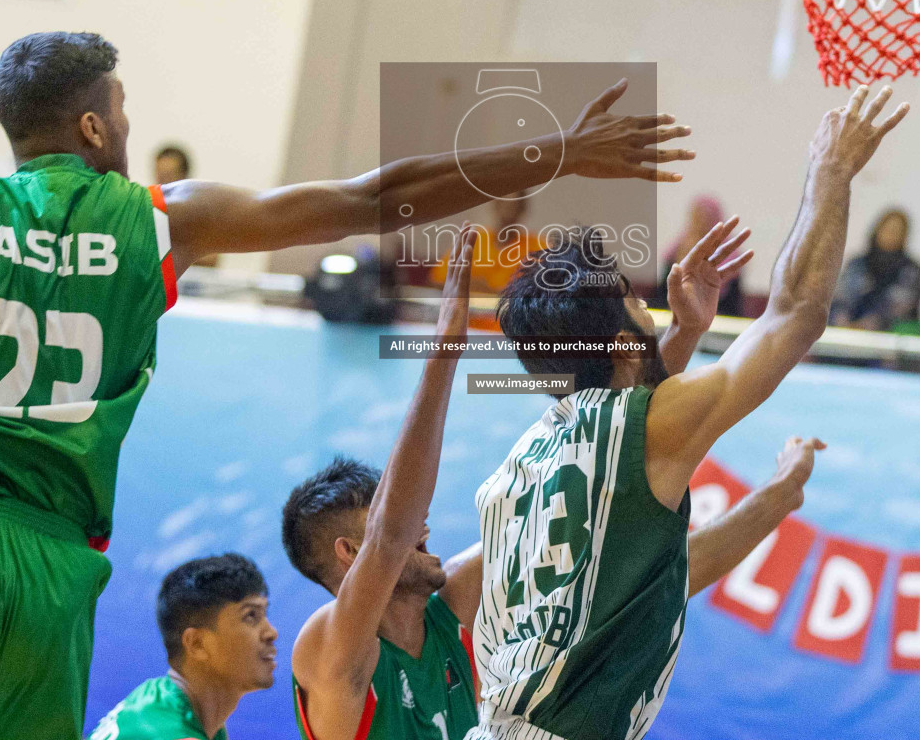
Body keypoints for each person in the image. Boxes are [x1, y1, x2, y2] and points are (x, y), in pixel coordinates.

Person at [0, 30, 693, 740]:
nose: (126, 122)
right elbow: (371, 195)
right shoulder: (162, 221)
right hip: (55, 571)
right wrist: (553, 152)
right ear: (90, 124)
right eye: (118, 107)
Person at [471, 86, 906, 740]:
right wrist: (831, 173)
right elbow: (795, 316)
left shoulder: (529, 454)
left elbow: (662, 567)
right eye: (634, 302)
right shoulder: (643, 430)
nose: (647, 305)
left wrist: (685, 334)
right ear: (622, 344)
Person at [284, 224, 819, 740]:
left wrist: (680, 338)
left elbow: (620, 511)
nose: (418, 522)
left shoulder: (452, 606)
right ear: (351, 551)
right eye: (381, 518)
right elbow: (392, 533)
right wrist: (447, 347)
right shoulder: (328, 647)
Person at [87, 553, 278, 740]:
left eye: (264, 614)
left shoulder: (156, 696)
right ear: (197, 644)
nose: (271, 633)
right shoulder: (176, 732)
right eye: (251, 616)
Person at [829, 206, 920, 331]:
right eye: (888, 229)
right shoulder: (857, 264)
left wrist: (868, 325)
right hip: (845, 332)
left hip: (886, 336)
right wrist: (843, 321)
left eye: (896, 231)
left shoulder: (911, 271)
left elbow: (899, 308)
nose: (891, 235)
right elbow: (840, 298)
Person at [656, 195, 744, 316]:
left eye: (706, 217)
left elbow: (731, 306)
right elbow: (662, 296)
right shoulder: (677, 249)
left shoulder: (729, 256)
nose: (701, 222)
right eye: (697, 216)